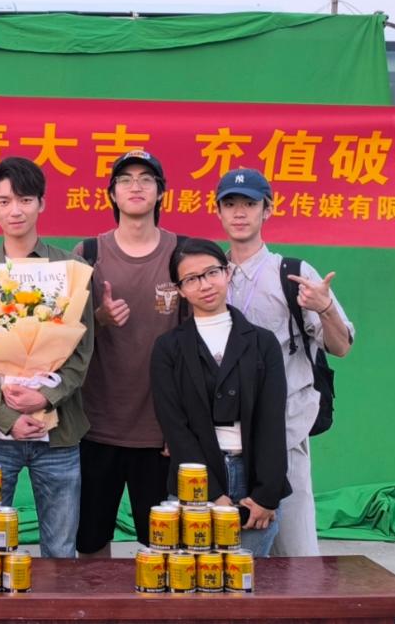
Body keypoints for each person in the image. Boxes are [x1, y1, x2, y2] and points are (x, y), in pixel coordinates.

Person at [0, 156, 94, 559]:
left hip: (60, 435)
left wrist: (45, 396)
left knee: (61, 550)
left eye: (25, 200)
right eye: (4, 201)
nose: (15, 210)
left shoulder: (72, 269)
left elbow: (82, 350)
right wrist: (7, 416)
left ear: (42, 204)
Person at [216, 168, 354, 557]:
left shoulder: (292, 273)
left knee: (296, 556)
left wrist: (325, 308)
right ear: (218, 212)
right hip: (223, 436)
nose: (239, 213)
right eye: (230, 204)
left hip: (284, 432)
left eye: (249, 204)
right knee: (224, 558)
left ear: (268, 210)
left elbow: (341, 346)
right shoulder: (210, 274)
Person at [150, 237, 288, 556]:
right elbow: (174, 427)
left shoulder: (263, 343)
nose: (205, 285)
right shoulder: (168, 348)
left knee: (247, 577)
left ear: (227, 273)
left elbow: (272, 421)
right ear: (180, 290)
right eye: (191, 279)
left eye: (212, 272)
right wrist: (211, 493)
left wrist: (266, 495)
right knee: (192, 578)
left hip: (253, 481)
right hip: (194, 478)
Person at [74, 150, 181, 555]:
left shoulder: (182, 255)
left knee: (164, 550)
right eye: (125, 180)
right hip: (95, 428)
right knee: (90, 546)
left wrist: (181, 427)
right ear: (112, 194)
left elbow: (195, 347)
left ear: (161, 192)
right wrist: (98, 318)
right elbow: (63, 337)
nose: (136, 186)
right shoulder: (87, 254)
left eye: (146, 179)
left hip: (160, 433)